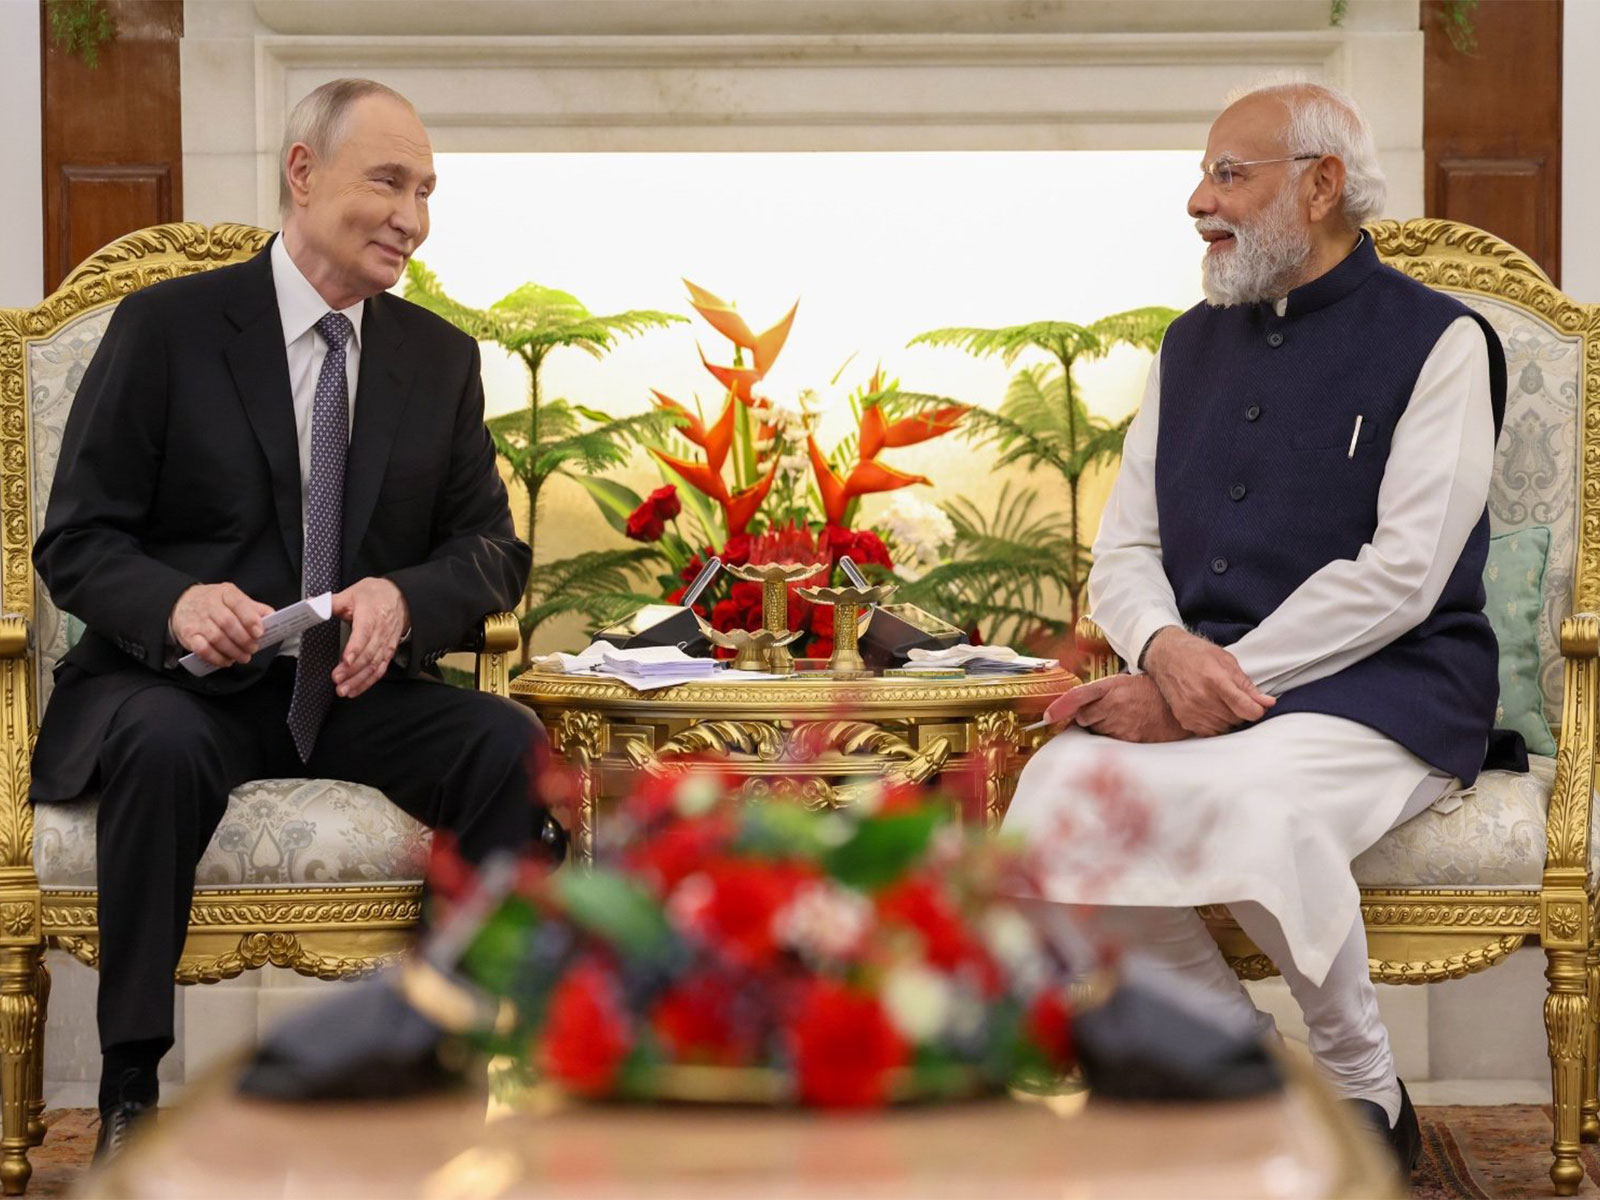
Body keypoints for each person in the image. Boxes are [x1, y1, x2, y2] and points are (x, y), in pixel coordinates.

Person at [30, 78, 563, 1159]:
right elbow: (76, 541)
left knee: (509, 746)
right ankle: (131, 1086)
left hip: (353, 692)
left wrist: (403, 596)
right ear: (304, 174)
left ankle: (440, 1063)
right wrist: (176, 603)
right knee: (161, 744)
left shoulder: (437, 359)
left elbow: (492, 553)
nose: (412, 218)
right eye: (389, 182)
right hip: (183, 688)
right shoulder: (167, 329)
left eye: (425, 191)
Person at [1003, 79, 1509, 1173]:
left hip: (1389, 686)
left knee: (1255, 797)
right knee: (1058, 797)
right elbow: (1124, 552)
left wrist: (1206, 682)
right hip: (1193, 680)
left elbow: (1405, 576)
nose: (1199, 200)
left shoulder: (1441, 341)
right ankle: (1244, 1071)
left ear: (1321, 185)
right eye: (1203, 175)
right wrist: (1163, 652)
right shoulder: (1186, 346)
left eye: (1229, 175)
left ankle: (1362, 1085)